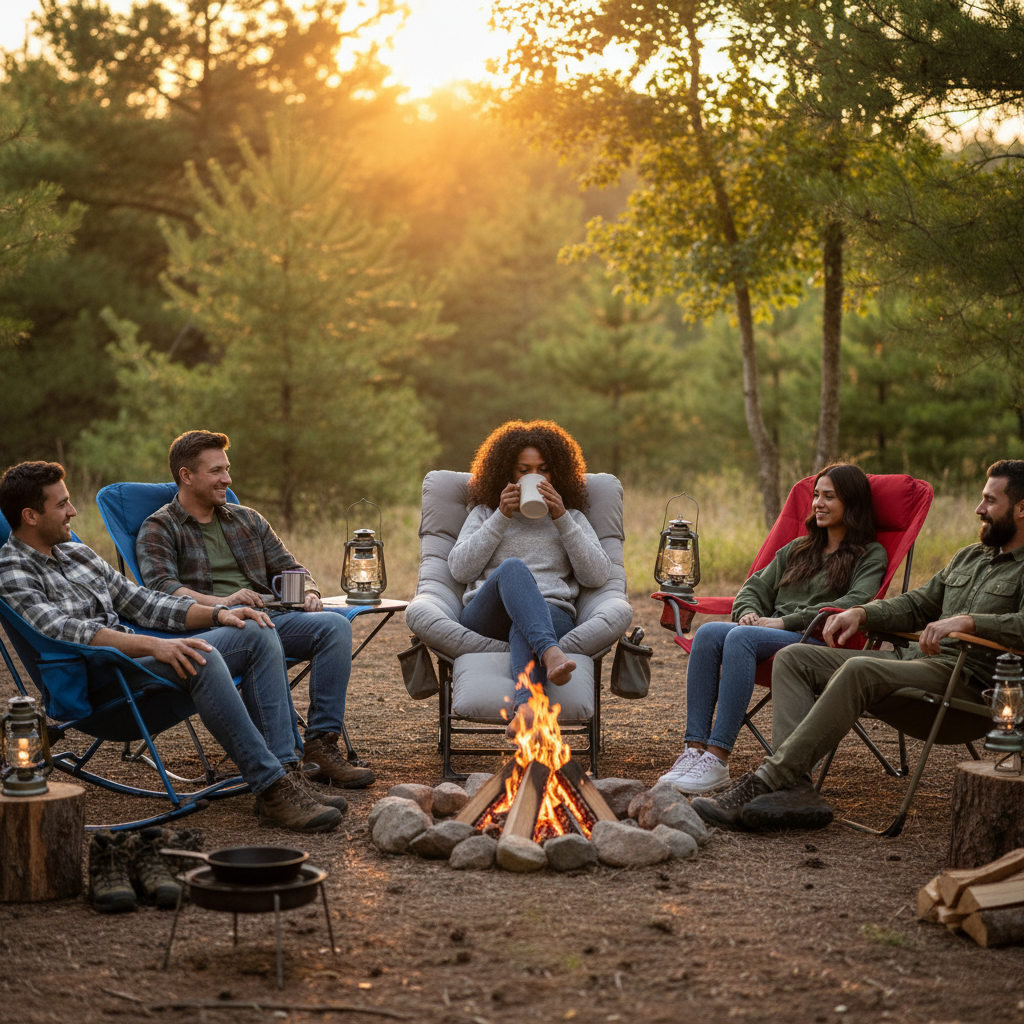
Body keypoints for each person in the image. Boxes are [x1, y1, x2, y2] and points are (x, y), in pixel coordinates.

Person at [0, 461, 346, 833]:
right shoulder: (13, 569)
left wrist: (219, 613)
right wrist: (157, 647)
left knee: (256, 631)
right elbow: (66, 630)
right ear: (30, 516)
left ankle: (286, 773)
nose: (73, 511)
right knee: (202, 657)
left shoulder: (77, 555)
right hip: (100, 680)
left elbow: (144, 603)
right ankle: (270, 787)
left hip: (137, 661)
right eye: (62, 504)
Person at [691, 459, 1024, 831]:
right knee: (794, 657)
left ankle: (768, 779)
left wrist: (970, 621)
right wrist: (862, 614)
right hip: (916, 664)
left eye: (990, 501)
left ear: (1021, 508)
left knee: (858, 667)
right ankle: (796, 788)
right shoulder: (968, 557)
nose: (979, 509)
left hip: (968, 687)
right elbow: (915, 605)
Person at [136, 431, 374, 788]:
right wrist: (223, 604)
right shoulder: (159, 527)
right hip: (214, 629)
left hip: (269, 617)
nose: (227, 480)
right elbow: (162, 590)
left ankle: (321, 747)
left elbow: (291, 569)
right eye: (216, 471)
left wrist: (308, 591)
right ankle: (283, 764)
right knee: (258, 630)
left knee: (334, 626)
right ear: (186, 476)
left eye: (227, 469)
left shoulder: (246, 519)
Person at [660, 464, 887, 795]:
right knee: (709, 634)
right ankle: (694, 752)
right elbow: (753, 589)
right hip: (769, 633)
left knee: (740, 638)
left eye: (829, 497)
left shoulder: (870, 554)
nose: (818, 504)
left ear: (852, 504)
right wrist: (749, 611)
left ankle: (718, 758)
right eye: (816, 495)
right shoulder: (798, 548)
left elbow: (855, 600)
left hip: (816, 640)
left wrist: (784, 621)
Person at [447, 420, 611, 737]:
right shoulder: (484, 512)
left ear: (555, 474)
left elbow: (597, 574)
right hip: (488, 614)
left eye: (543, 469)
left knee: (527, 620)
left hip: (551, 613)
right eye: (524, 470)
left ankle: (526, 708)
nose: (533, 477)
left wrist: (562, 517)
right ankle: (551, 654)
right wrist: (500, 517)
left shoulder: (571, 517)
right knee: (512, 567)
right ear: (509, 473)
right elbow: (460, 570)